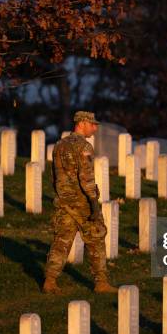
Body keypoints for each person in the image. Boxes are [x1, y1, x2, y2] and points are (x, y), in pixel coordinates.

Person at [42, 111, 117, 294]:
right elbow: (86, 178)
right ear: (82, 123)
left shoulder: (58, 146)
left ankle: (50, 281)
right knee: (96, 239)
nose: (95, 128)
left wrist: (61, 195)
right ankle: (101, 282)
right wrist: (93, 204)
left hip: (64, 201)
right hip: (82, 202)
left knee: (61, 241)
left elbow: (54, 176)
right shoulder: (84, 147)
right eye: (92, 124)